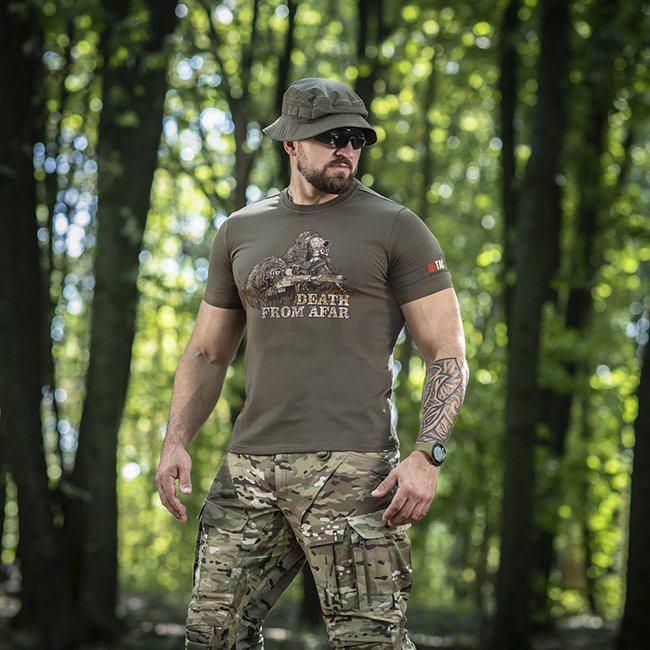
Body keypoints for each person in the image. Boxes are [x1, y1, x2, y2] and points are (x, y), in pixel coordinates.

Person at [156, 77, 468, 650]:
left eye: (356, 138)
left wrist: (429, 455)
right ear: (291, 143)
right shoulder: (240, 230)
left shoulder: (396, 227)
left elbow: (446, 351)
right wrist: (176, 441)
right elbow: (206, 351)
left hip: (354, 471)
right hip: (249, 469)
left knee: (369, 643)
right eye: (331, 137)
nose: (346, 148)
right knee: (211, 636)